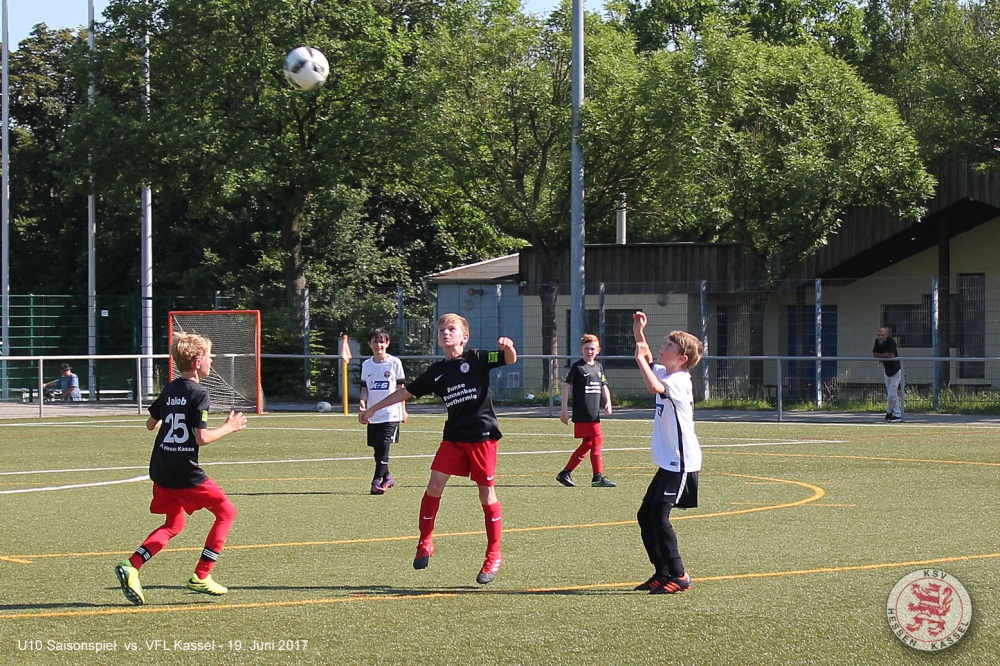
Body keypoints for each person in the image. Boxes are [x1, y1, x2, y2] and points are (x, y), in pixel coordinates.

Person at [360, 313, 517, 585]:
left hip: (482, 436)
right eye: (442, 329)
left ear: (464, 337)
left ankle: (494, 553)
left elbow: (508, 359)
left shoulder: (478, 358)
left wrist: (508, 347)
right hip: (454, 436)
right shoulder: (437, 372)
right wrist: (373, 408)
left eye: (451, 329)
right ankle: (425, 541)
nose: (446, 332)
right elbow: (405, 392)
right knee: (434, 484)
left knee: (486, 493)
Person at [114, 332, 247, 605]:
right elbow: (202, 438)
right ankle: (202, 574)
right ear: (197, 362)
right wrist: (230, 427)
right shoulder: (200, 393)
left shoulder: (170, 388)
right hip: (185, 471)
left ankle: (132, 565)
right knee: (227, 513)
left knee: (174, 524)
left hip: (161, 467)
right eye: (209, 357)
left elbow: (150, 424)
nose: (212, 361)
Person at [632, 311, 703, 595]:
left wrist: (639, 359)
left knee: (660, 517)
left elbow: (653, 385)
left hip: (681, 463)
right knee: (645, 516)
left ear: (682, 358)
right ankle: (662, 572)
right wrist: (639, 332)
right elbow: (651, 361)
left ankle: (679, 574)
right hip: (669, 462)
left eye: (669, 346)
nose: (663, 347)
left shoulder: (679, 381)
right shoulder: (667, 371)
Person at [557, 334, 616, 488]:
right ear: (581, 349)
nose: (589, 351)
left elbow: (604, 385)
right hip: (584, 412)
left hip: (594, 412)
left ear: (598, 350)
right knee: (597, 441)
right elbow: (566, 386)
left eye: (592, 349)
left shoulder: (598, 367)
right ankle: (597, 478)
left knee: (588, 443)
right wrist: (564, 410)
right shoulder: (578, 367)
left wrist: (608, 402)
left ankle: (565, 473)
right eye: (587, 349)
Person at [359, 327, 407, 495]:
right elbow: (365, 389)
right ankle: (388, 478)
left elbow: (401, 388)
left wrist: (403, 410)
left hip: (391, 413)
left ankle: (376, 482)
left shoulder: (394, 363)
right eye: (375, 342)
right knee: (377, 449)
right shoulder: (367, 365)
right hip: (373, 414)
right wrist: (362, 403)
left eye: (381, 342)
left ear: (387, 343)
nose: (378, 345)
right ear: (369, 344)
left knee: (384, 447)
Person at [873, 327, 902, 422]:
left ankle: (890, 412)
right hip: (887, 371)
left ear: (887, 335)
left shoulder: (890, 341)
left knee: (891, 394)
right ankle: (896, 414)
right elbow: (874, 354)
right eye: (879, 335)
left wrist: (882, 355)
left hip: (895, 371)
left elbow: (891, 355)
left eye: (882, 335)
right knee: (891, 394)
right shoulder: (877, 342)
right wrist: (884, 355)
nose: (880, 337)